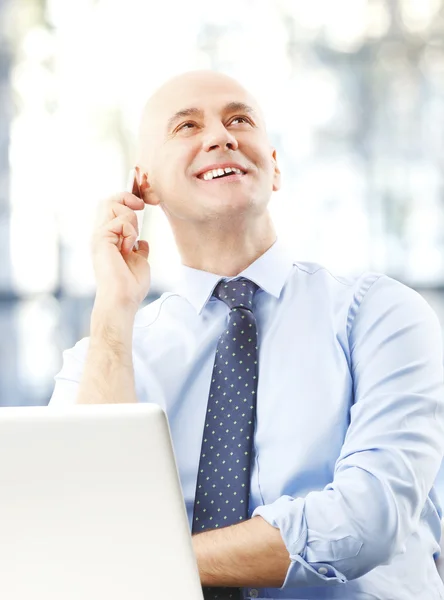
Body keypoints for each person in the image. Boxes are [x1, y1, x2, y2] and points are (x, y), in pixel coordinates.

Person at [49, 70, 444, 599]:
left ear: (274, 167)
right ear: (144, 186)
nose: (220, 136)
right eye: (186, 127)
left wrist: (147, 556)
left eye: (240, 119)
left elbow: (365, 521)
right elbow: (75, 524)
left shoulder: (380, 315)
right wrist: (113, 313)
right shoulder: (104, 354)